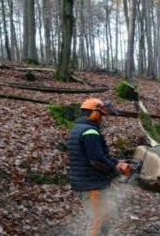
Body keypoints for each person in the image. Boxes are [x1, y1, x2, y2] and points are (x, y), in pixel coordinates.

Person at [67, 98, 131, 236]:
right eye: (101, 115)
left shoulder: (79, 128)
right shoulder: (90, 132)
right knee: (97, 221)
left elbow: (100, 156)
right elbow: (96, 160)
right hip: (92, 185)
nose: (102, 118)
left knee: (105, 219)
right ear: (94, 113)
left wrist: (116, 162)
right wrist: (114, 170)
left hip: (91, 182)